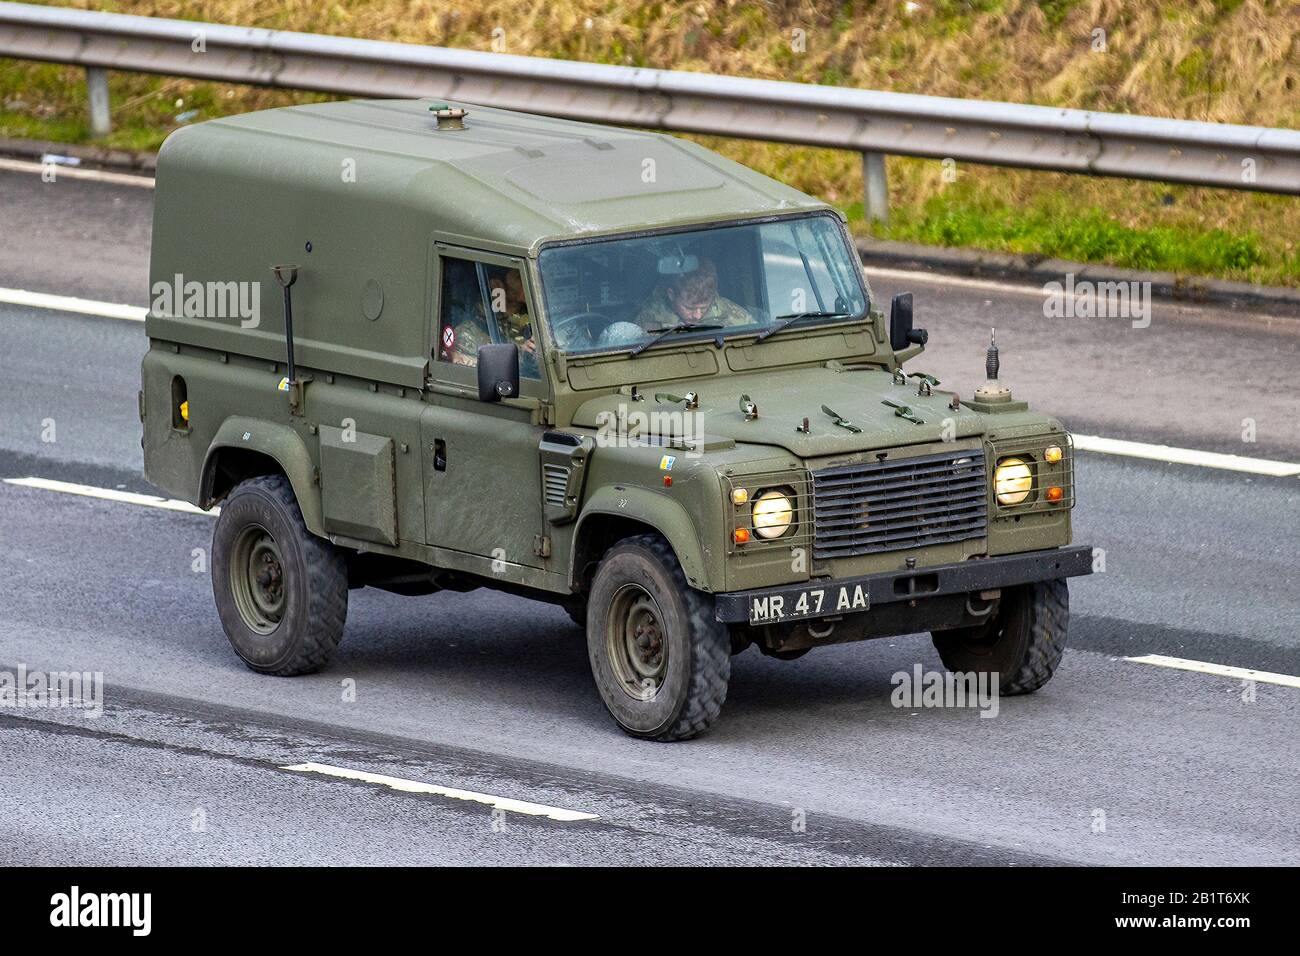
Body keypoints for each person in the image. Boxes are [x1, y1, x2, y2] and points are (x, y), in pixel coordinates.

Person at [635, 257, 752, 330]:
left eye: (704, 307)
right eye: (689, 308)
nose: (697, 315)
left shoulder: (735, 316)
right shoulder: (648, 319)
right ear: (671, 295)